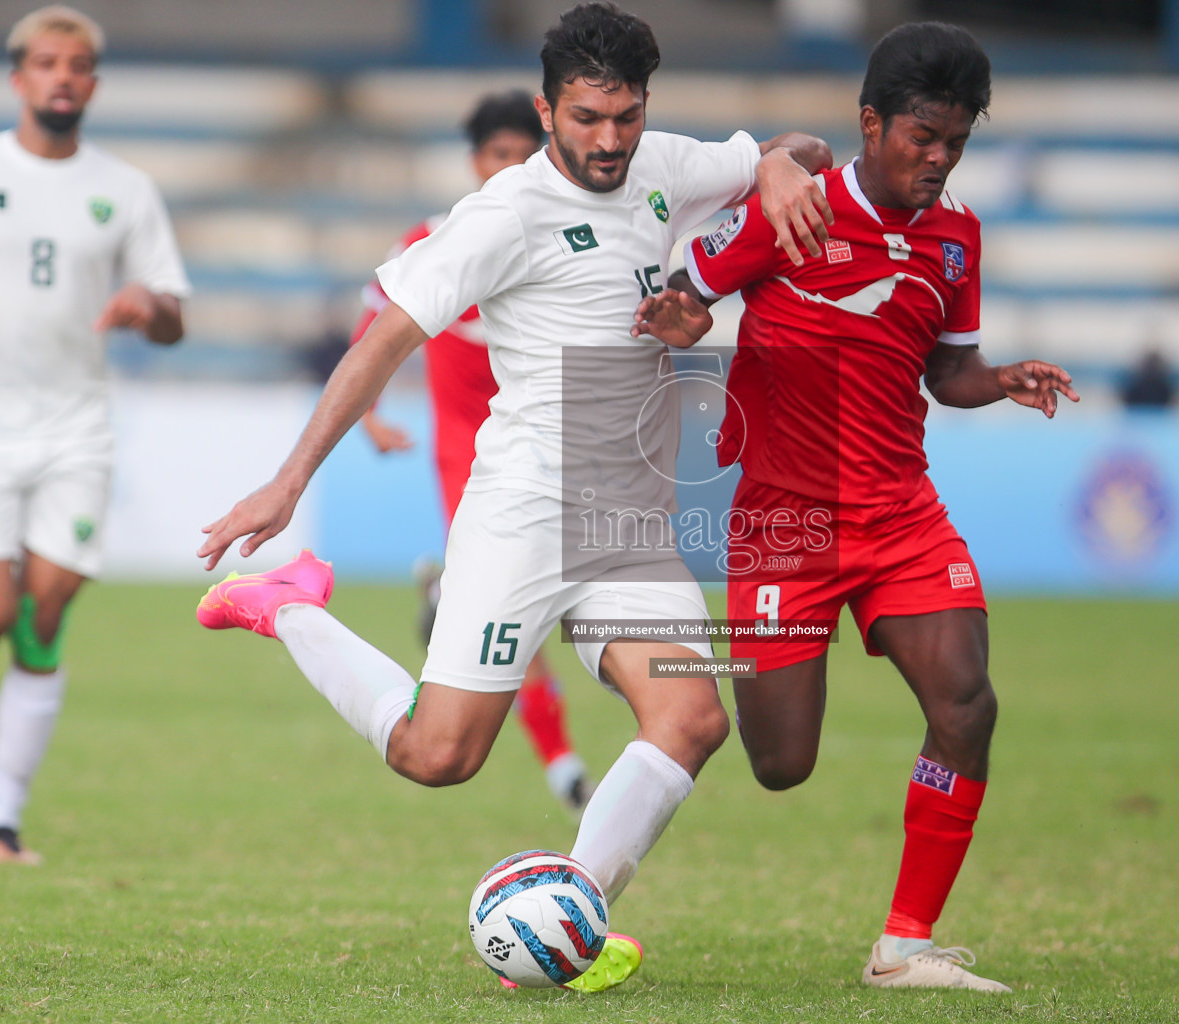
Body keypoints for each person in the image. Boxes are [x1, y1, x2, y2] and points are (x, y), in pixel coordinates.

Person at [195, 1, 830, 992]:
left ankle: (566, 914)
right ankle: (290, 611)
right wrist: (288, 481)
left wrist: (783, 163)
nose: (609, 140)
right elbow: (383, 341)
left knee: (691, 721)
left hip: (628, 526)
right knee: (438, 755)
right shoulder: (504, 214)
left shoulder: (667, 165)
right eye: (587, 118)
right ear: (547, 111)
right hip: (524, 517)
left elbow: (793, 148)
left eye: (625, 116)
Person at [635, 21, 1077, 991]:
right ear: (870, 123)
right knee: (780, 763)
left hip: (899, 514)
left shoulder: (956, 236)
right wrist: (678, 315)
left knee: (966, 700)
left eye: (956, 140)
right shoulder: (788, 209)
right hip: (780, 527)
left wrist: (1000, 378)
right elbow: (687, 290)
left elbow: (946, 369)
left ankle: (905, 941)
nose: (938, 157)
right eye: (922, 135)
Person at [0, 6, 189, 865]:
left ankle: (0, 820)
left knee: (42, 620)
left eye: (76, 64)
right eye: (45, 62)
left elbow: (172, 316)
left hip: (75, 430)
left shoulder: (125, 190)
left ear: (94, 83)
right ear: (18, 78)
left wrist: (150, 307)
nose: (62, 77)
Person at [352, 91, 592, 816]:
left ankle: (445, 593)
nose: (512, 168)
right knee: (514, 618)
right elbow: (374, 325)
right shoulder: (435, 240)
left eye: (525, 156)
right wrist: (370, 411)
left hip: (564, 456)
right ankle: (564, 765)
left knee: (564, 610)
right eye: (499, 156)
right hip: (471, 458)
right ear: (474, 162)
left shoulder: (566, 237)